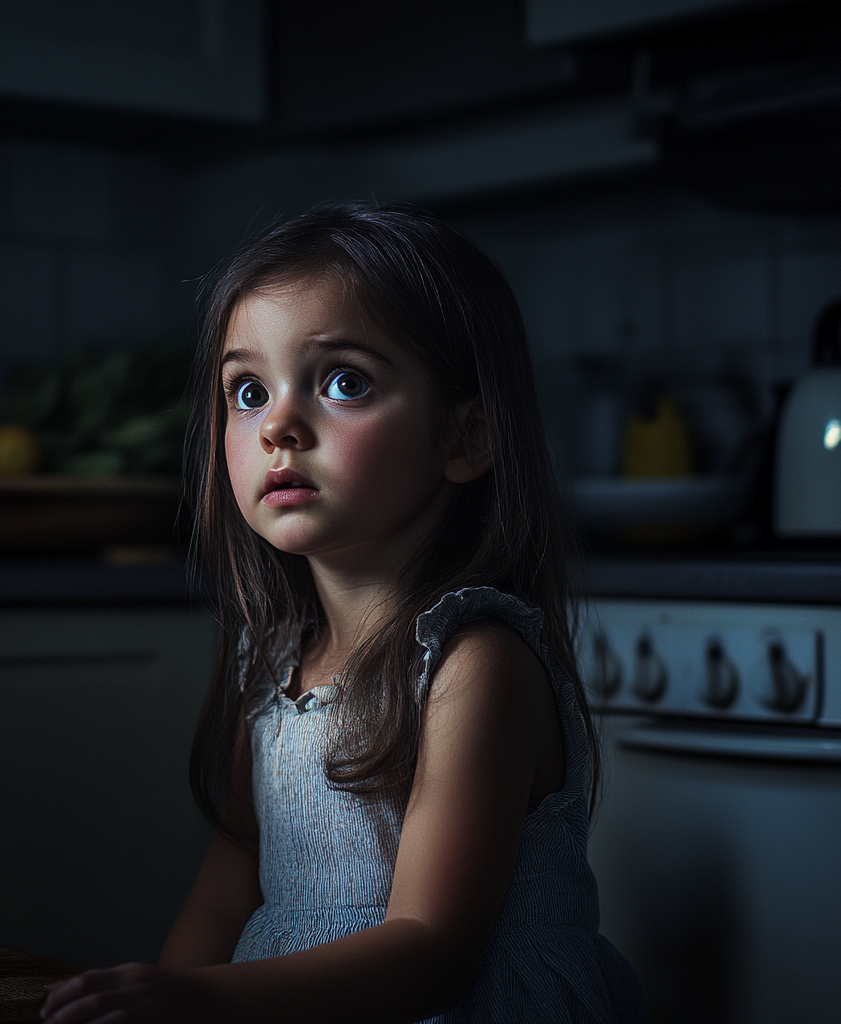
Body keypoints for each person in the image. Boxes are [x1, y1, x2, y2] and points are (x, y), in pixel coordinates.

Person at [41, 204, 649, 1024]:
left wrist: (202, 1002)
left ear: (465, 436)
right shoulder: (273, 666)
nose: (280, 427)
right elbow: (225, 898)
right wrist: (164, 996)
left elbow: (431, 952)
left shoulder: (474, 666)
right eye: (247, 391)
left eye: (343, 382)